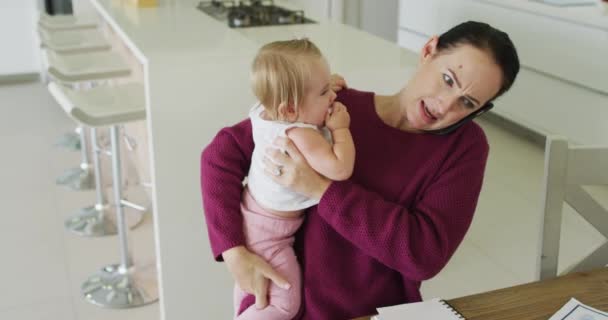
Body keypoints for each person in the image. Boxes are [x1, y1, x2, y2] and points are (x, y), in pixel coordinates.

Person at [200, 21, 520, 319]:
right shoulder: (334, 106)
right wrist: (233, 251)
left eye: (467, 103)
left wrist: (323, 190)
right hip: (281, 303)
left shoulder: (464, 148)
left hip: (369, 312)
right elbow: (220, 156)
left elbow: (425, 254)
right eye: (448, 79)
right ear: (428, 51)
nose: (445, 105)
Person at [204, 38, 356, 319]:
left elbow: (290, 93)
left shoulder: (263, 114)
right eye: (324, 92)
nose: (333, 97)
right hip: (272, 238)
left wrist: (320, 87)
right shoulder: (302, 134)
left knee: (251, 292)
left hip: (250, 216)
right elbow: (339, 169)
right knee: (284, 305)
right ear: (290, 110)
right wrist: (341, 129)